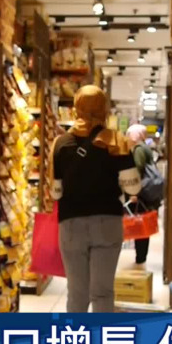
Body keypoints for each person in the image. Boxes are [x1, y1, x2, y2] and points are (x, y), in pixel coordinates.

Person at [51, 85, 141, 313]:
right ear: (104, 109)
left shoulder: (61, 143)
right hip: (107, 223)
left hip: (71, 224)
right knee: (102, 293)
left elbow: (55, 192)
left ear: (76, 108)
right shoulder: (117, 141)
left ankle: (75, 336)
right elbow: (133, 187)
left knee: (77, 294)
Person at [126, 123, 160, 265]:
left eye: (129, 135)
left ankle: (140, 257)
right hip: (146, 191)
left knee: (139, 222)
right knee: (142, 222)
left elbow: (138, 168)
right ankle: (141, 255)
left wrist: (134, 191)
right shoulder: (145, 147)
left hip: (142, 192)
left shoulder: (139, 149)